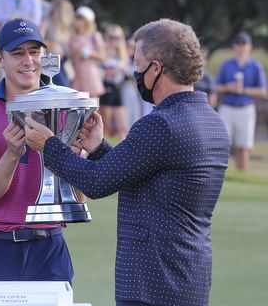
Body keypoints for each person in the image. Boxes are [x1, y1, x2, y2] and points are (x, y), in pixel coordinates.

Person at [25, 19, 230, 306]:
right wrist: (97, 148)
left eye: (137, 63)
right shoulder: (212, 122)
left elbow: (96, 183)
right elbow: (143, 175)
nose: (134, 71)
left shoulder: (161, 125)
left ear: (156, 68)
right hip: (189, 276)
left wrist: (49, 145)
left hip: (152, 283)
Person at [0, 18, 73, 282]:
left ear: (45, 55)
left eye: (34, 52)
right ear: (0, 59)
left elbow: (78, 196)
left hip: (49, 247)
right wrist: (11, 153)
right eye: (17, 53)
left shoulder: (66, 109)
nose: (28, 61)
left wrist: (84, 153)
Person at [216, 32, 267, 171]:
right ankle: (219, 177)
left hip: (246, 108)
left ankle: (241, 175)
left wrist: (243, 90)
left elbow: (263, 91)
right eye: (238, 43)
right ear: (234, 46)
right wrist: (229, 87)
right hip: (227, 108)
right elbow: (217, 87)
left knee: (243, 148)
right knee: (222, 145)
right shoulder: (227, 65)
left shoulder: (255, 66)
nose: (241, 46)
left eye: (244, 43)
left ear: (249, 46)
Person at [99, 24, 129, 139]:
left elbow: (127, 71)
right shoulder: (103, 52)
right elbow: (99, 73)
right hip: (107, 87)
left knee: (122, 126)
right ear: (107, 37)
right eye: (111, 37)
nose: (114, 40)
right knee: (106, 125)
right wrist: (112, 71)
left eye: (117, 37)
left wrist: (122, 71)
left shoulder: (122, 53)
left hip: (119, 87)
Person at [69, 6, 106, 97]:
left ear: (86, 21)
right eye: (76, 17)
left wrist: (89, 53)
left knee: (92, 105)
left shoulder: (94, 35)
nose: (76, 20)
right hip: (76, 74)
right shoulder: (71, 35)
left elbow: (103, 56)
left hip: (90, 75)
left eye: (79, 18)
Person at [40, 0, 74, 86]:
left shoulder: (67, 27)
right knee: (63, 86)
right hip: (52, 60)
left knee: (67, 86)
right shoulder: (47, 22)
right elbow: (39, 40)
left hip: (64, 60)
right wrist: (53, 45)